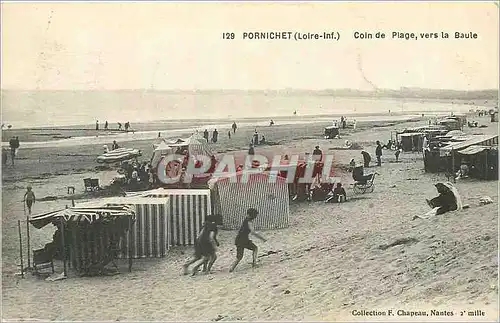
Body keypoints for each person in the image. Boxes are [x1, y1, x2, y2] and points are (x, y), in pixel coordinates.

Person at [229, 208, 267, 272]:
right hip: (244, 240)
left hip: (239, 240)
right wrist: (262, 238)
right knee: (255, 249)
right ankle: (254, 264)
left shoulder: (246, 220)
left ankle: (232, 268)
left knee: (240, 257)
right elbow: (253, 232)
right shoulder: (249, 222)